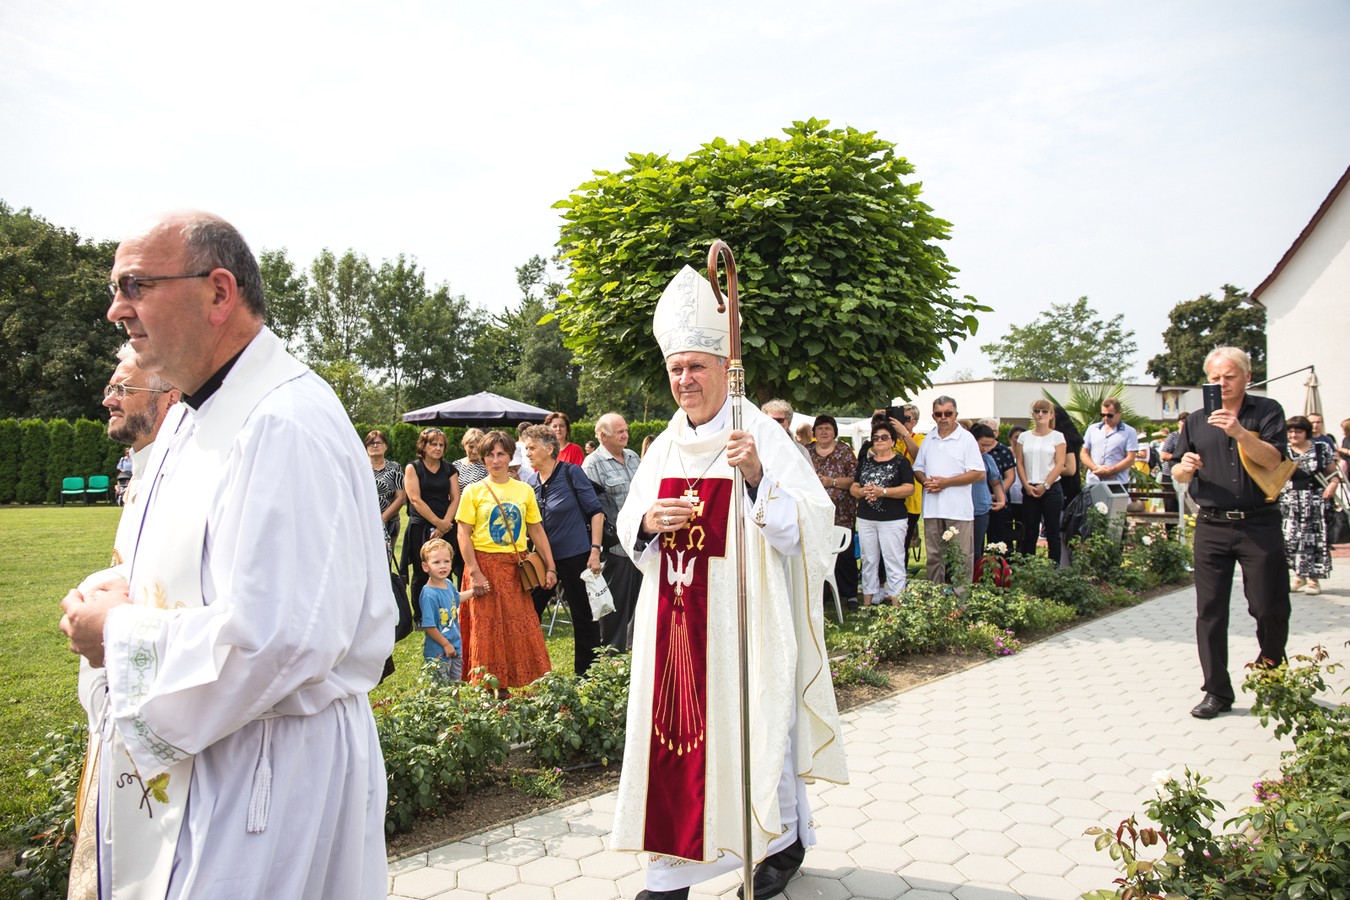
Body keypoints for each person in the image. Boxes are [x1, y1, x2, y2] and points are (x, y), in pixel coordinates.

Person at [60, 211, 392, 898]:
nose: (116, 309)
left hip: (266, 772)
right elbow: (185, 559)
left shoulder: (284, 422)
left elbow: (282, 639)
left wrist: (116, 634)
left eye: (136, 285)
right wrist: (111, 587)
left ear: (218, 292)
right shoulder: (192, 415)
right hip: (211, 758)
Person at [612, 265, 846, 900]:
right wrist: (647, 523)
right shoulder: (663, 446)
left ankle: (779, 842)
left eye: (696, 366)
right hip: (676, 630)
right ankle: (671, 875)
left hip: (745, 625)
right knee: (676, 746)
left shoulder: (758, 435)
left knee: (756, 730)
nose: (685, 380)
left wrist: (758, 479)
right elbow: (631, 522)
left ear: (723, 367)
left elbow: (813, 524)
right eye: (676, 369)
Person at [1171, 346, 1289, 720]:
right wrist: (1185, 467)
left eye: (1229, 376)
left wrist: (1238, 432)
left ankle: (1272, 679)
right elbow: (1177, 471)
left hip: (1259, 523)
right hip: (1212, 524)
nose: (1221, 383)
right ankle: (1216, 691)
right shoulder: (1195, 420)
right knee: (1209, 611)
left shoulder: (1267, 411)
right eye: (1215, 378)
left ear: (1247, 377)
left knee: (1269, 608)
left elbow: (1274, 459)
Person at [456, 430, 557, 694]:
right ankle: (488, 689)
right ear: (483, 458)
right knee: (486, 629)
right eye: (490, 455)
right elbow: (463, 534)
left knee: (518, 627)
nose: (496, 460)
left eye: (501, 454)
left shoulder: (524, 490)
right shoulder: (473, 491)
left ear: (511, 456)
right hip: (484, 567)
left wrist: (550, 566)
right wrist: (475, 572)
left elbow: (536, 530)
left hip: (515, 570)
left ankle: (512, 684)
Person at [522, 424, 605, 675]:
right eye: (526, 448)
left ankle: (587, 675)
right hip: (543, 560)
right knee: (528, 613)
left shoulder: (571, 472)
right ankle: (530, 671)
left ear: (549, 449)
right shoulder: (530, 482)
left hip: (576, 555)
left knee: (583, 616)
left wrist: (595, 550)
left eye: (532, 448)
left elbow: (596, 512)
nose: (527, 453)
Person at [583, 413, 644, 651]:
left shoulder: (633, 457)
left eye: (625, 430)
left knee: (638, 601)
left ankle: (633, 649)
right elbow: (592, 508)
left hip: (639, 542)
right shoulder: (592, 463)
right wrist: (596, 548)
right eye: (619, 431)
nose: (625, 435)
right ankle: (611, 652)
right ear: (602, 436)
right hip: (614, 546)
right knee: (614, 604)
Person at [911, 396, 984, 584]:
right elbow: (918, 467)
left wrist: (945, 483)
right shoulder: (929, 438)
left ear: (956, 415)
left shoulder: (966, 439)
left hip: (958, 510)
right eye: (938, 414)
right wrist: (925, 481)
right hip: (932, 509)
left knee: (961, 558)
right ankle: (935, 597)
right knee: (934, 558)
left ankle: (962, 599)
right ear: (933, 416)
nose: (943, 417)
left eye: (948, 413)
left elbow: (978, 473)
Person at [849, 421, 914, 605]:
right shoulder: (865, 462)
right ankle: (868, 601)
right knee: (868, 560)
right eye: (875, 438)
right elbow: (854, 487)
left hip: (892, 519)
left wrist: (883, 492)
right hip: (866, 518)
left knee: (893, 559)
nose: (879, 441)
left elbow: (909, 488)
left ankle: (896, 603)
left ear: (892, 441)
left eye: (884, 437)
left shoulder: (901, 462)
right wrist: (862, 491)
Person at [1280, 415, 1340, 595]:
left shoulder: (1321, 448)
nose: (1293, 435)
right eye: (1290, 431)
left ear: (1306, 432)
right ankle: (1299, 576)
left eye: (1298, 431)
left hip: (1316, 500)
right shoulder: (1282, 450)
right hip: (1290, 501)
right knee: (1291, 539)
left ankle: (1314, 579)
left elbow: (1333, 473)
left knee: (1314, 540)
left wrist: (1333, 485)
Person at [810, 414, 859, 610]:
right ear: (814, 432)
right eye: (820, 428)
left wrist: (833, 482)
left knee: (844, 555)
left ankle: (850, 594)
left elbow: (855, 479)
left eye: (828, 428)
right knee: (817, 554)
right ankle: (822, 593)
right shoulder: (807, 452)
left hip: (842, 514)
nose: (823, 432)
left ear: (834, 432)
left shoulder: (844, 451)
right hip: (814, 515)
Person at [403, 427, 457, 602]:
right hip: (421, 526)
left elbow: (456, 498)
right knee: (421, 571)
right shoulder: (413, 468)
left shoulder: (449, 469)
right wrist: (437, 523)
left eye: (441, 445)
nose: (438, 448)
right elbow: (415, 499)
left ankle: (446, 607)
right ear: (423, 446)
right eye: (433, 444)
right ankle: (420, 613)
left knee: (445, 570)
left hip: (447, 526)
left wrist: (445, 524)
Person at [1013, 399, 1067, 565]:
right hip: (1030, 488)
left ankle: (1053, 569)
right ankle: (1027, 568)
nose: (1041, 414)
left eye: (1044, 411)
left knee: (1052, 532)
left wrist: (1046, 485)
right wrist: (1026, 485)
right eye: (1037, 411)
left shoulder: (1057, 436)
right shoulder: (1024, 437)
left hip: (1051, 488)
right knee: (1029, 532)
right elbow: (1020, 462)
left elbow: (1060, 464)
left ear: (1051, 415)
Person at [418, 538, 462, 682]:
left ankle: (456, 699)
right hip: (439, 652)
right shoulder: (429, 594)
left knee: (455, 684)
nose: (442, 566)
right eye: (436, 562)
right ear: (426, 566)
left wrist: (474, 592)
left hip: (455, 645)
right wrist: (445, 644)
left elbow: (456, 598)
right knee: (441, 688)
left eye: (446, 561)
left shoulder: (448, 583)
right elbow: (429, 626)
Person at [968, 423, 1007, 554]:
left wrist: (1001, 500)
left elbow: (995, 482)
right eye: (982, 445)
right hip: (963, 508)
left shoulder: (987, 459)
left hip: (981, 508)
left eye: (989, 445)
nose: (985, 448)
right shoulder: (962, 457)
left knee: (977, 549)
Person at [977, 418, 1016, 550]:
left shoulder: (1003, 452)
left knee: (999, 542)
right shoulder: (973, 453)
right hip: (977, 503)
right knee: (976, 542)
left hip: (996, 502)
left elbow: (1009, 477)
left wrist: (996, 496)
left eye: (992, 431)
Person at [1081, 397, 1139, 485]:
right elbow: (1084, 453)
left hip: (1117, 483)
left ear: (1119, 413)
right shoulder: (1092, 429)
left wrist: (1111, 471)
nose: (1105, 418)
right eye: (1103, 415)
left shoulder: (1129, 431)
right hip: (1093, 481)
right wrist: (1096, 469)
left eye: (1109, 415)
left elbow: (1130, 458)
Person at [366, 429, 406, 547]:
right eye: (371, 443)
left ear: (386, 446)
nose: (375, 446)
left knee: (386, 555)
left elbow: (401, 498)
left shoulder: (395, 467)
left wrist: (382, 519)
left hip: (390, 522)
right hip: (364, 522)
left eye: (379, 443)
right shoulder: (359, 468)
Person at [763, 398, 811, 464]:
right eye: (771, 420)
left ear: (789, 423)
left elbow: (808, 471)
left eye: (779, 420)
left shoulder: (800, 451)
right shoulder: (755, 447)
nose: (775, 423)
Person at [1159, 412, 1189, 517]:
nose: (1184, 423)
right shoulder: (1173, 436)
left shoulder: (1193, 436)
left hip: (1187, 475)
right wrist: (1180, 457)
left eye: (1187, 421)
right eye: (1182, 421)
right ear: (1178, 423)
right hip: (1170, 474)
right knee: (1171, 506)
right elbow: (1163, 455)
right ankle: (1170, 527)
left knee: (1187, 507)